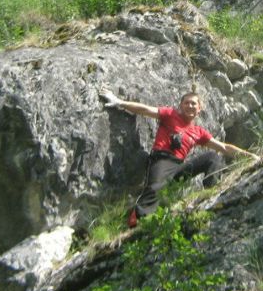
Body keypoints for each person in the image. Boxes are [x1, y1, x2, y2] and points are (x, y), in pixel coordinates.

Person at [101, 89, 251, 227]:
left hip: (179, 167)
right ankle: (138, 221)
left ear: (199, 109)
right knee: (154, 188)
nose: (190, 106)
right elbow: (145, 109)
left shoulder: (198, 132)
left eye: (194, 103)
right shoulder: (170, 114)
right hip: (162, 161)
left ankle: (212, 195)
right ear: (181, 106)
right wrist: (119, 102)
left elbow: (224, 148)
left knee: (212, 157)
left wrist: (250, 157)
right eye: (186, 102)